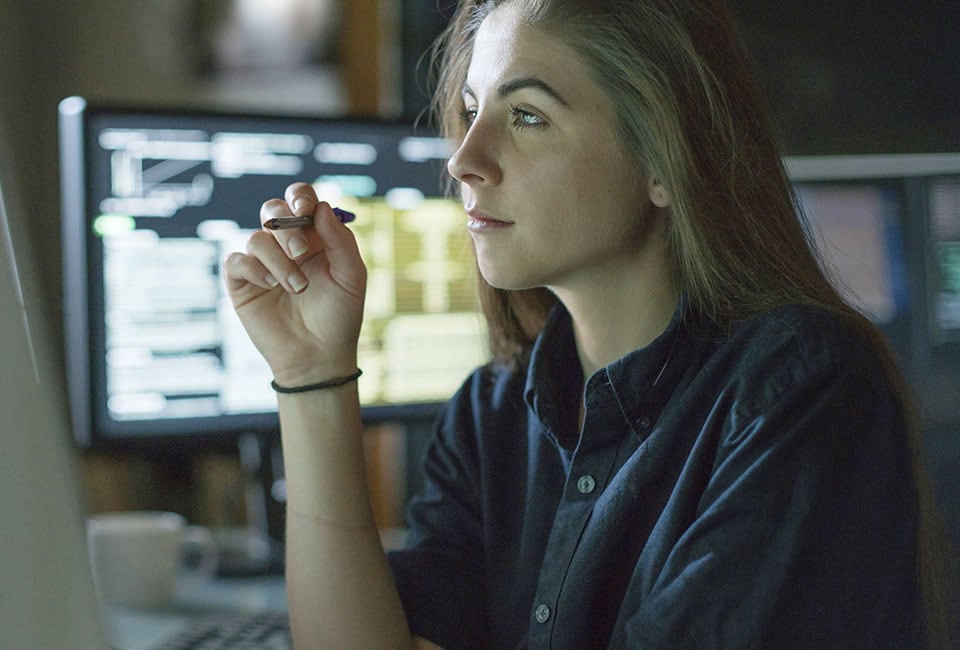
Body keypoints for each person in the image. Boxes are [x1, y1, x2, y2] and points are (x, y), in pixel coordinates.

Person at [222, 0, 954, 647]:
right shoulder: (493, 413)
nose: (465, 159)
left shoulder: (800, 390)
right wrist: (313, 375)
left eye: (528, 116)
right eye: (472, 110)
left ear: (664, 162)